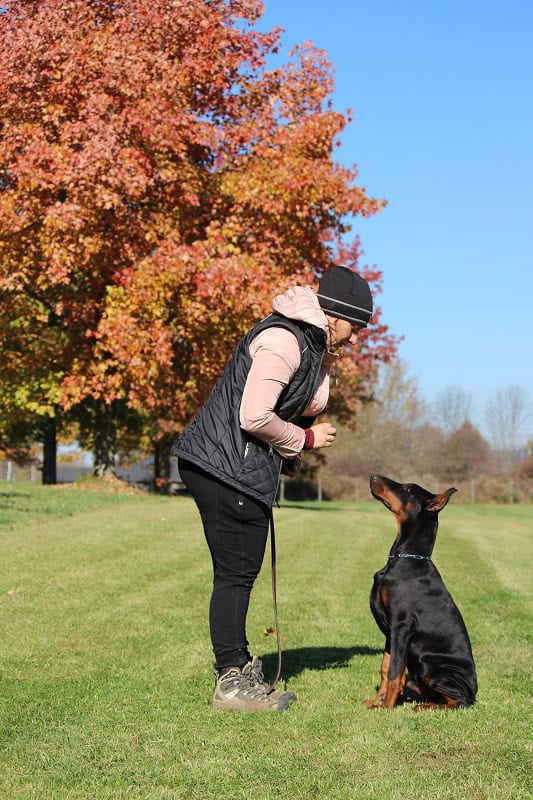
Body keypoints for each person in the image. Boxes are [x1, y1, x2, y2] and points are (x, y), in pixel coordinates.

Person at [172, 265, 373, 712]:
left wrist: (290, 455)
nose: (356, 338)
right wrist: (304, 439)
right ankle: (230, 682)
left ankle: (239, 665)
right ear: (335, 315)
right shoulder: (285, 340)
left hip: (234, 467)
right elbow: (255, 416)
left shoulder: (310, 345)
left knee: (240, 570)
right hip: (222, 467)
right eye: (355, 327)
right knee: (236, 572)